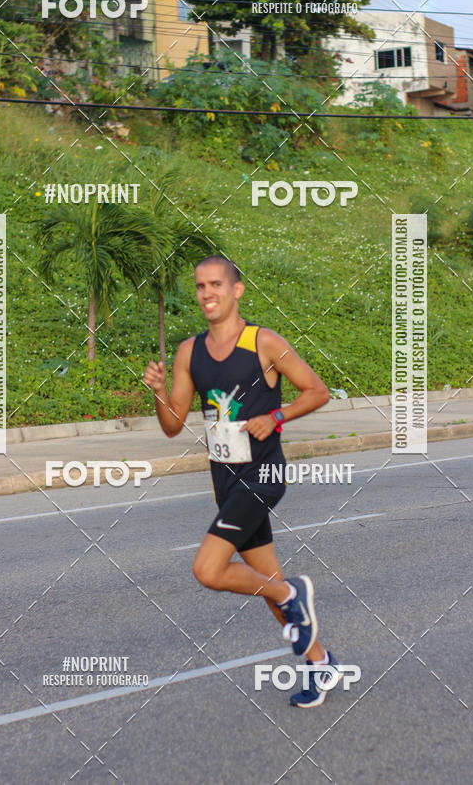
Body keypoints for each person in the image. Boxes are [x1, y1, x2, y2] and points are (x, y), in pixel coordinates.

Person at [143, 255, 340, 707]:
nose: (207, 293)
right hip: (226, 480)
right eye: (200, 286)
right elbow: (172, 425)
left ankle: (293, 592)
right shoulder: (189, 352)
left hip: (262, 476)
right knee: (265, 581)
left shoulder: (263, 342)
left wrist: (276, 416)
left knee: (209, 570)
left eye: (216, 284)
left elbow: (317, 391)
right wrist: (158, 392)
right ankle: (321, 661)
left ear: (237, 290)